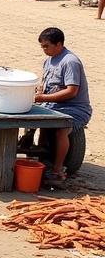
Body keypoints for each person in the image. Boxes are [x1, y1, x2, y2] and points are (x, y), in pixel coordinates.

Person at [33, 27, 92, 182]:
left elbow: (72, 91)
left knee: (61, 129)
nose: (44, 50)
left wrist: (43, 98)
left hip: (75, 108)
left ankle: (57, 169)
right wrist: (38, 91)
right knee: (32, 121)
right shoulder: (48, 61)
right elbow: (45, 85)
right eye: (42, 47)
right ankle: (41, 159)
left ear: (59, 44)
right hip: (53, 105)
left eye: (47, 46)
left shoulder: (70, 61)